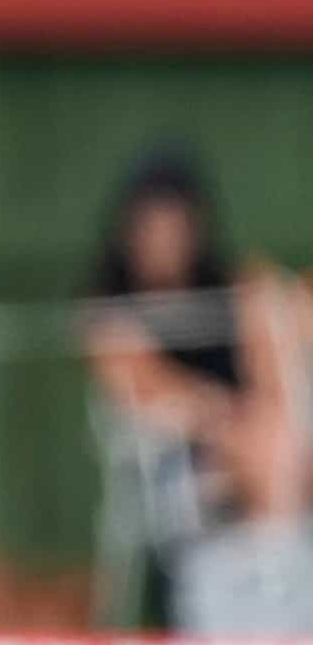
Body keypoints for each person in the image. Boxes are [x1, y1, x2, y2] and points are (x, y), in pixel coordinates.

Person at [82, 146, 311, 525]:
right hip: (180, 456)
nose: (165, 243)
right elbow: (150, 390)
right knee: (279, 454)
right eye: (153, 228)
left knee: (283, 448)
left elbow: (277, 376)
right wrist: (231, 420)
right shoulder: (113, 315)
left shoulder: (237, 289)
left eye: (175, 228)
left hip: (264, 432)